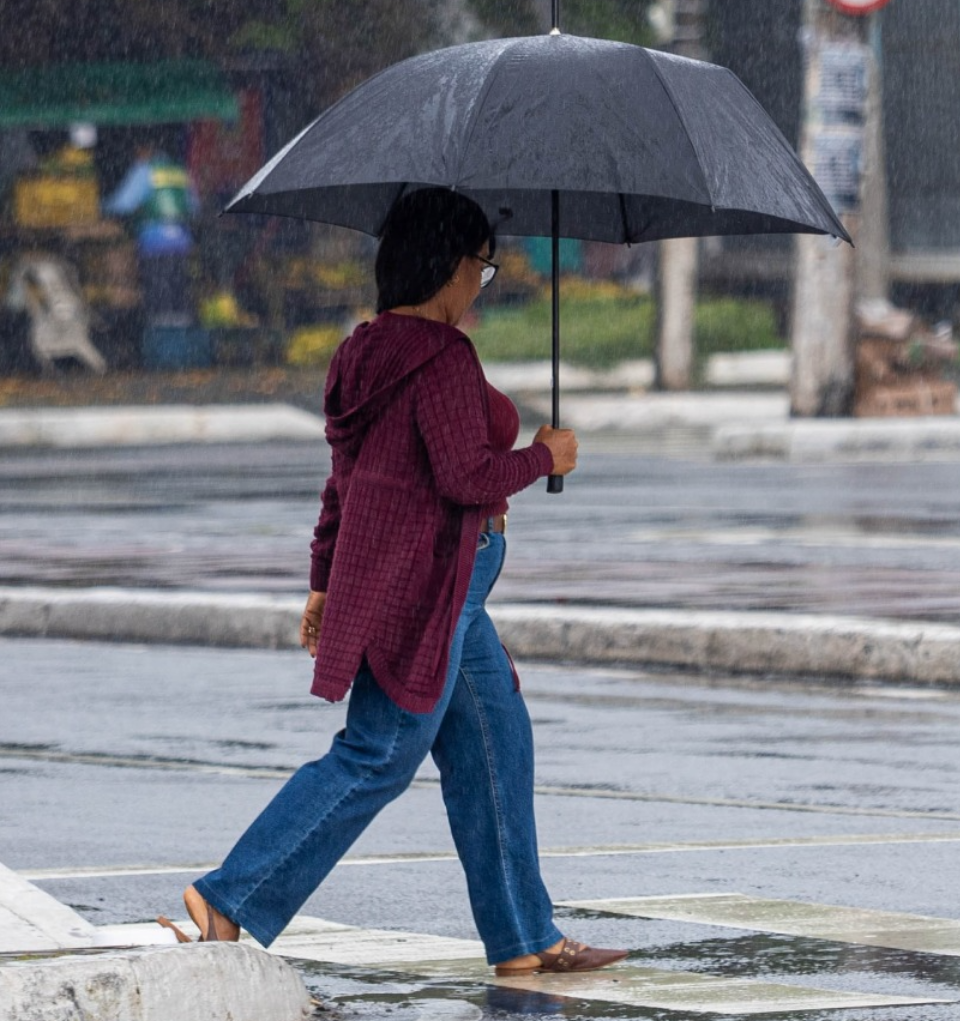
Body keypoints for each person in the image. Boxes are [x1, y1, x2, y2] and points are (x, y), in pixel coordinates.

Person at [161, 188, 626, 977]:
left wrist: (323, 580)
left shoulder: (363, 351)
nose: (482, 283)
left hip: (432, 584)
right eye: (481, 267)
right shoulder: (442, 357)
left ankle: (524, 937)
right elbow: (465, 475)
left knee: (495, 742)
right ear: (448, 266)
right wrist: (546, 457)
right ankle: (230, 897)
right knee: (377, 754)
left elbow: (346, 482)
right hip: (431, 579)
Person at [104, 142, 202, 368]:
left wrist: (101, 205)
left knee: (158, 301)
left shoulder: (144, 171)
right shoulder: (179, 172)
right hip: (181, 245)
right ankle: (182, 354)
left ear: (142, 150)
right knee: (178, 299)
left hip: (154, 245)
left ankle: (161, 355)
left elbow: (123, 205)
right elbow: (193, 206)